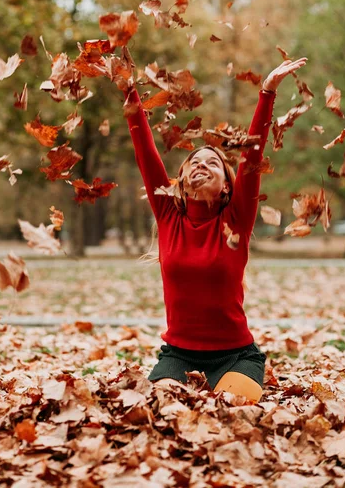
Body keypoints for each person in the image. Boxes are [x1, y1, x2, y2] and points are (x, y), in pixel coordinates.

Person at [125, 58, 307, 402]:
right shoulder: (168, 215)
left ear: (227, 186)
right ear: (181, 181)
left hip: (235, 355)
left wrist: (267, 93)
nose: (201, 165)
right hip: (177, 354)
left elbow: (252, 154)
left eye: (212, 163)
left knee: (229, 409)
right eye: (194, 162)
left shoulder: (235, 221)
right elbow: (145, 153)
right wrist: (128, 89)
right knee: (164, 408)